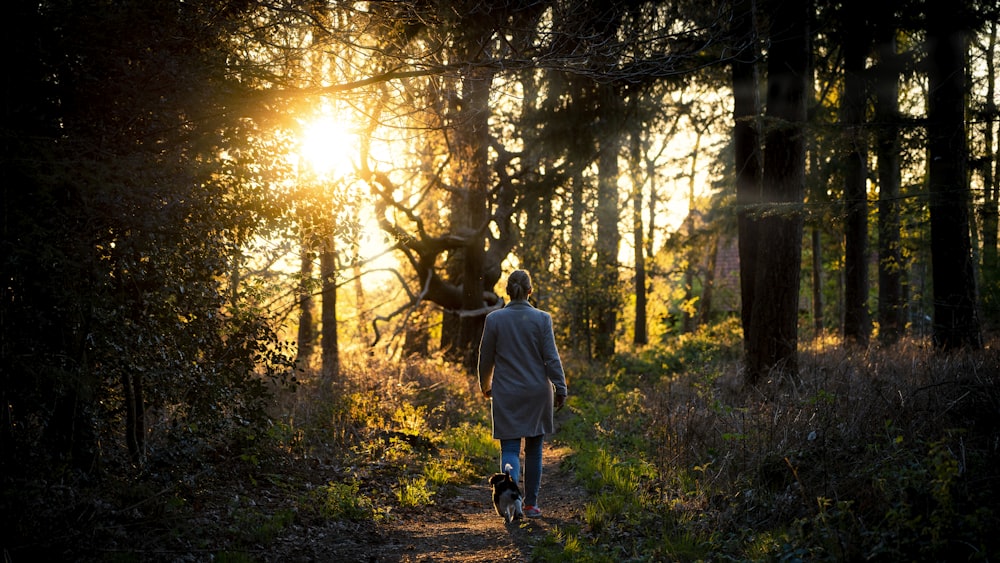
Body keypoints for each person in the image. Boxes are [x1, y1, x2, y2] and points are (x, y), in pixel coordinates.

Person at [478, 269, 568, 518]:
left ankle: (509, 494)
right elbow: (551, 357)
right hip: (537, 393)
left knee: (509, 449)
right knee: (534, 451)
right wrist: (560, 387)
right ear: (530, 291)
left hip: (506, 392)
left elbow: (485, 358)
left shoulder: (494, 319)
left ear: (507, 291)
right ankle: (530, 504)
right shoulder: (542, 319)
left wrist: (484, 384)